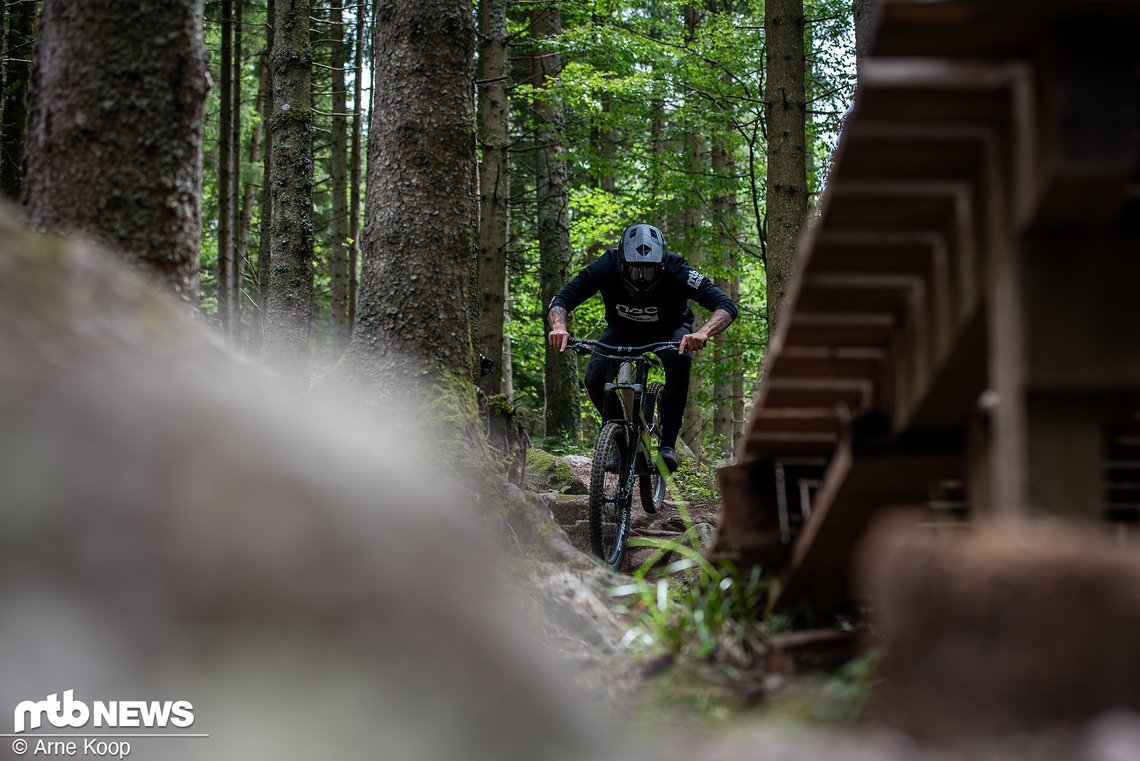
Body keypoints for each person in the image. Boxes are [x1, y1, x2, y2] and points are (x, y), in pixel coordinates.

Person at [546, 223, 738, 472]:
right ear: (622, 264)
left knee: (680, 361)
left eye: (648, 272)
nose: (640, 278)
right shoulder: (606, 264)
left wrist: (702, 332)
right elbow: (561, 299)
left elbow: (725, 305)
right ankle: (617, 440)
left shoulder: (677, 269)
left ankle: (667, 445)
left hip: (669, 331)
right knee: (594, 378)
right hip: (621, 331)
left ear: (661, 266)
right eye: (634, 271)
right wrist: (559, 326)